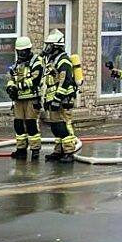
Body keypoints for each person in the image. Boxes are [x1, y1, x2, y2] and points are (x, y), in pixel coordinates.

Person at [41, 30, 79, 164]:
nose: (47, 48)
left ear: (56, 46)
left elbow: (65, 81)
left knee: (64, 125)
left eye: (49, 45)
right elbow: (50, 82)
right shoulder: (54, 60)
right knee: (56, 127)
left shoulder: (64, 61)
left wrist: (57, 99)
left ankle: (69, 151)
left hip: (63, 100)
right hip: (54, 99)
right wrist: (47, 99)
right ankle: (59, 150)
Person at [6, 37, 44, 160]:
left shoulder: (36, 61)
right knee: (18, 124)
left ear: (29, 50)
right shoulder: (17, 64)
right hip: (18, 100)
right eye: (19, 51)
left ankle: (35, 150)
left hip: (32, 99)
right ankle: (21, 149)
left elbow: (35, 79)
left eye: (23, 51)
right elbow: (10, 77)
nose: (21, 54)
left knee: (31, 124)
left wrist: (18, 87)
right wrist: (10, 87)